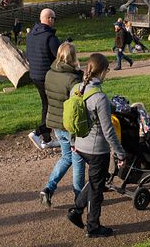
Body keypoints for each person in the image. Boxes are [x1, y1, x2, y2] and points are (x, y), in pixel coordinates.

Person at [67, 53, 126, 238]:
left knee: (95, 180)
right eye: (107, 70)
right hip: (97, 150)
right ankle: (93, 227)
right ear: (102, 72)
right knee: (97, 189)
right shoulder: (99, 97)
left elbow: (71, 117)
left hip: (80, 145)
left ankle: (76, 211)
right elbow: (108, 132)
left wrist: (72, 142)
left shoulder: (76, 88)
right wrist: (120, 153)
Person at [40, 42, 85, 208]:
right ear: (73, 57)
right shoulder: (73, 79)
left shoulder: (50, 73)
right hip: (69, 125)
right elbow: (78, 103)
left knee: (66, 157)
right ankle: (79, 197)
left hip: (56, 122)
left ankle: (48, 188)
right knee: (78, 160)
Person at [26, 8, 61, 149]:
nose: (54, 21)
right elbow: (60, 57)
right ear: (49, 19)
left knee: (46, 105)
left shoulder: (31, 35)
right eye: (53, 18)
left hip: (35, 75)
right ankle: (38, 131)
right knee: (54, 106)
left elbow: (29, 55)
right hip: (48, 76)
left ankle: (47, 139)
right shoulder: (49, 37)